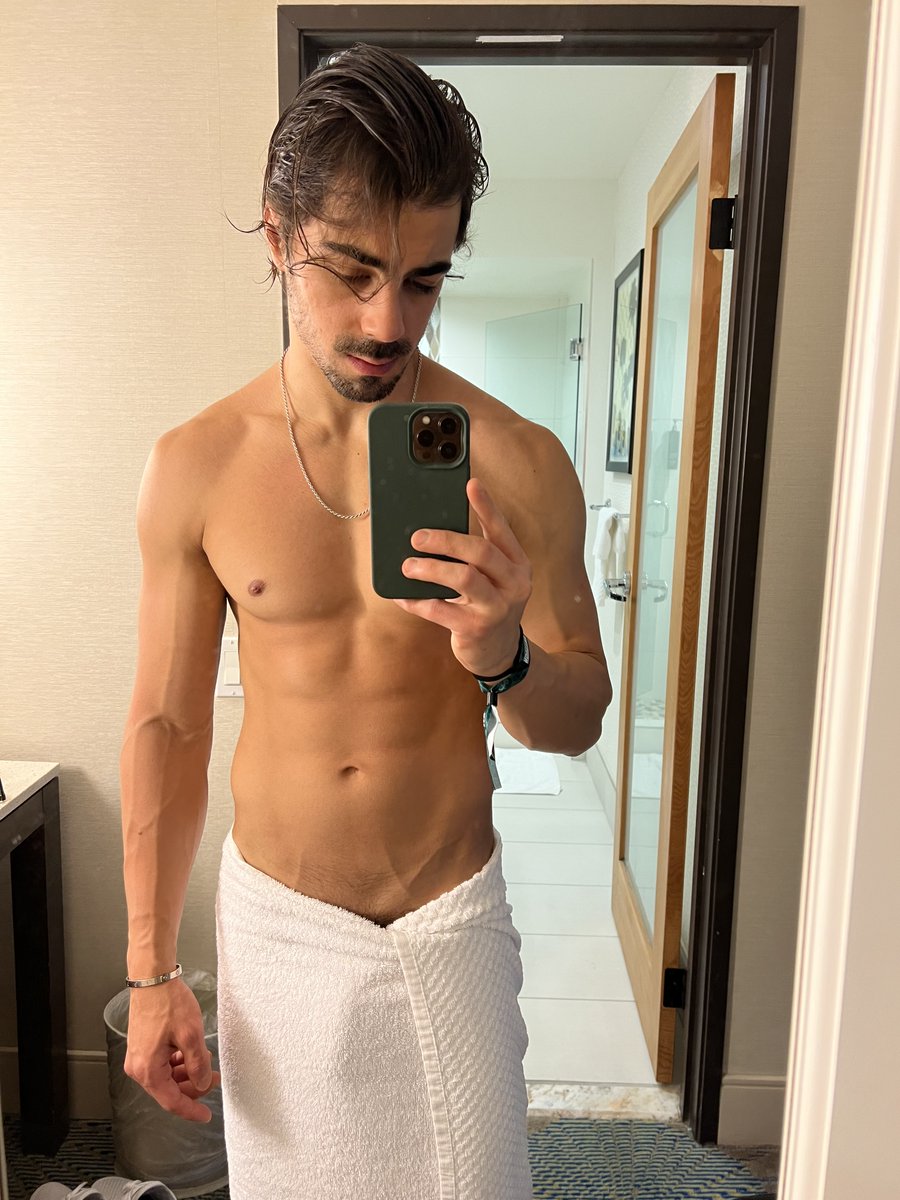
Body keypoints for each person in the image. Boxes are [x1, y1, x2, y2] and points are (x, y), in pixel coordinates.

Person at [119, 43, 611, 1200]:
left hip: (451, 919)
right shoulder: (196, 466)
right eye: (352, 271)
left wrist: (505, 656)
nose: (390, 320)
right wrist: (149, 971)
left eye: (425, 280)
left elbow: (579, 720)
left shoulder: (519, 462)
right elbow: (168, 729)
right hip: (280, 927)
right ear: (279, 237)